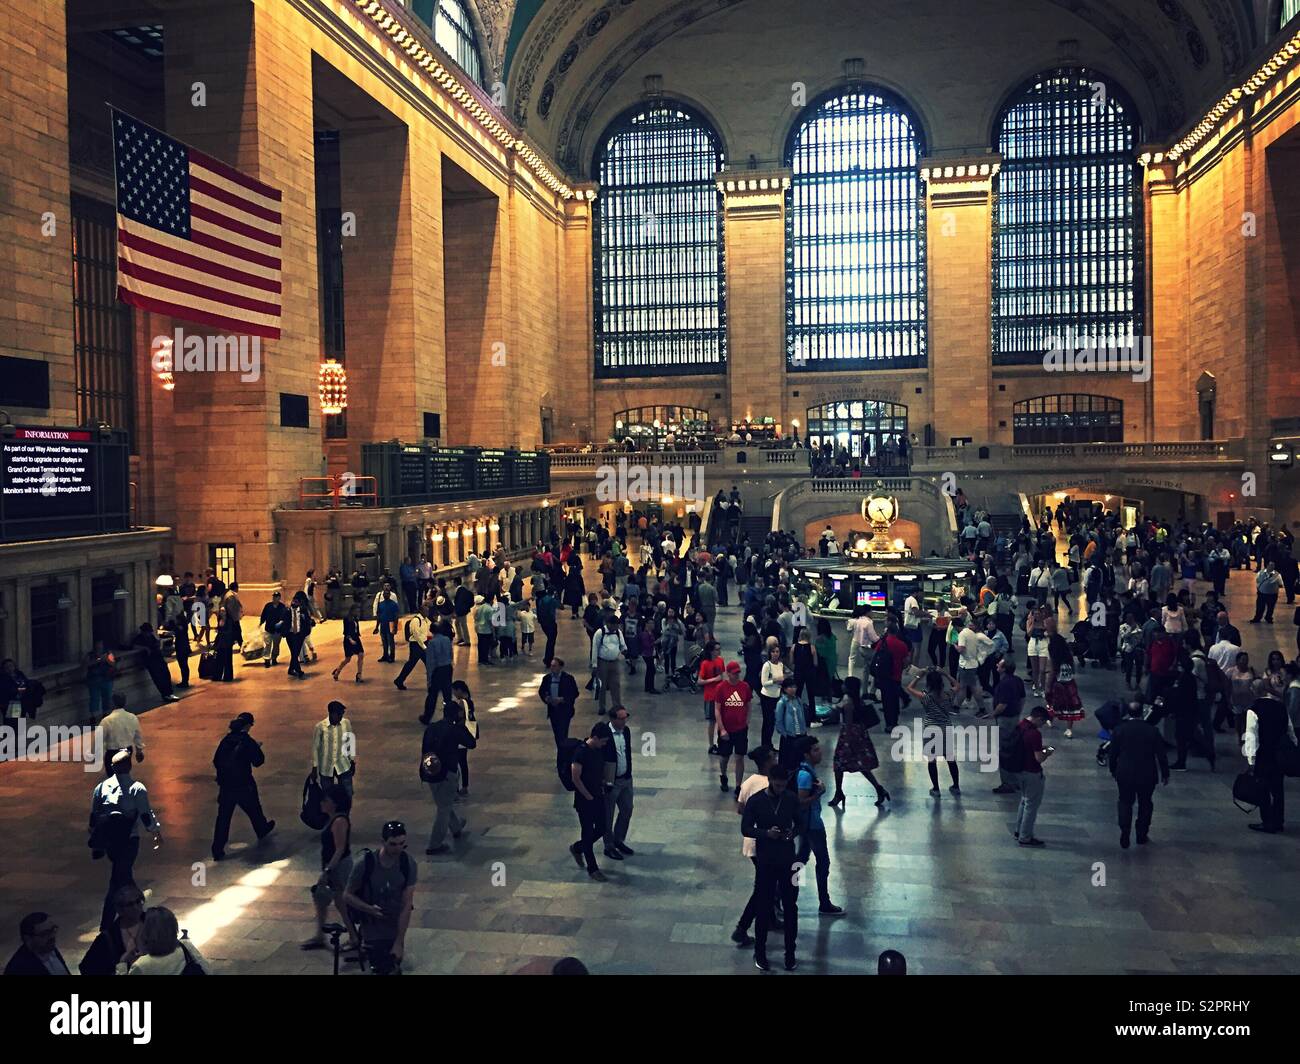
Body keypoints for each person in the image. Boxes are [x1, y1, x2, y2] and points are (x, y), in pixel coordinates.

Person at [90, 749, 162, 931]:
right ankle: (108, 924)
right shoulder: (136, 788)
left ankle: (138, 908)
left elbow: (94, 815)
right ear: (129, 766)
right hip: (129, 840)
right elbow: (145, 814)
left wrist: (95, 837)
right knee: (118, 881)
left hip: (110, 842)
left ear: (113, 768)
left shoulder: (101, 788)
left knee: (122, 874)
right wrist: (155, 832)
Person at [741, 764, 801, 971]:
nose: (781, 788)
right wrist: (766, 833)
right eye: (777, 784)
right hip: (766, 861)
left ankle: (790, 953)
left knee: (791, 907)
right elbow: (745, 828)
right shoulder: (756, 801)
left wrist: (792, 833)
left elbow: (801, 823)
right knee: (763, 906)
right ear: (770, 781)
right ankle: (761, 952)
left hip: (788, 861)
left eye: (784, 785)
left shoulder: (791, 798)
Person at [343, 820, 417, 975]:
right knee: (381, 966)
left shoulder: (407, 863)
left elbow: (406, 904)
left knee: (393, 965)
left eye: (401, 844)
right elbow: (347, 895)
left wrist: (399, 941)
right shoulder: (365, 863)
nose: (398, 849)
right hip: (372, 927)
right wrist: (369, 909)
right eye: (393, 844)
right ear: (383, 842)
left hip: (394, 924)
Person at [302, 783, 359, 954]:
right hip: (333, 865)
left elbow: (340, 848)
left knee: (341, 902)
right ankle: (320, 934)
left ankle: (354, 937)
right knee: (325, 900)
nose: (322, 803)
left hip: (339, 866)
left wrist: (327, 871)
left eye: (325, 800)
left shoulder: (339, 821)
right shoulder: (332, 818)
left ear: (334, 803)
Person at [211, 712, 275, 861]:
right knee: (254, 808)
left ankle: (217, 848)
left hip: (226, 787)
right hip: (244, 784)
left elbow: (216, 760)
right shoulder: (247, 741)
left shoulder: (226, 740)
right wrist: (257, 748)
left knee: (223, 818)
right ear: (247, 726)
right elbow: (259, 761)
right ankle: (261, 829)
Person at [1107, 700, 1170, 848]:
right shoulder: (1152, 731)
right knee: (1145, 803)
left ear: (1129, 713)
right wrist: (1165, 773)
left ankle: (1125, 829)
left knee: (1124, 801)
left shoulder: (1120, 729)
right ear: (1142, 712)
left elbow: (1113, 753)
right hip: (1147, 773)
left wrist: (1113, 769)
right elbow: (1161, 754)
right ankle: (1141, 833)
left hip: (1125, 772)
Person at [793, 736, 842, 915]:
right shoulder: (805, 775)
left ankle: (782, 896)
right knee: (823, 862)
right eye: (815, 750)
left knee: (800, 859)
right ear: (806, 754)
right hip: (812, 825)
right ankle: (824, 902)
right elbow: (802, 802)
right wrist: (820, 792)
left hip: (808, 824)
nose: (820, 752)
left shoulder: (807, 771)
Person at [422, 704, 476, 854]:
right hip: (447, 773)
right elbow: (472, 743)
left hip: (430, 772)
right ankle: (434, 845)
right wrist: (462, 726)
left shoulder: (432, 727)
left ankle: (456, 827)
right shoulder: (454, 730)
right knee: (444, 808)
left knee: (443, 802)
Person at [829, 675, 888, 806]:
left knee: (838, 764)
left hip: (849, 735)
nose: (842, 685)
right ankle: (879, 789)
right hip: (860, 733)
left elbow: (848, 723)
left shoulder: (848, 701)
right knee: (862, 765)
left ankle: (839, 793)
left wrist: (848, 742)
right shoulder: (857, 700)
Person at [906, 667, 961, 796]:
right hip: (946, 728)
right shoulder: (948, 695)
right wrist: (946, 674)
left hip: (930, 729)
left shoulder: (925, 697)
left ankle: (936, 789)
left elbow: (909, 688)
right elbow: (958, 685)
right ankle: (956, 786)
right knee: (950, 758)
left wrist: (920, 675)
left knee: (932, 759)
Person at [569, 722, 613, 882]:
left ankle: (578, 847)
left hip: (598, 796)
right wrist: (588, 796)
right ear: (594, 737)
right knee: (587, 832)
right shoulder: (580, 752)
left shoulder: (597, 750)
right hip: (585, 800)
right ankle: (592, 868)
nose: (605, 744)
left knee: (602, 828)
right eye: (603, 741)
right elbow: (575, 777)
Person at [1244, 696, 1294, 833]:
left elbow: (1251, 736)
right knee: (1278, 790)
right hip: (1279, 754)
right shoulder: (1281, 707)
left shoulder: (1253, 710)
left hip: (1263, 754)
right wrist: (1293, 747)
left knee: (1263, 789)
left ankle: (1267, 821)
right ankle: (1278, 821)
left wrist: (1250, 760)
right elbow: (1290, 730)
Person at [1011, 706, 1054, 847]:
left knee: (1024, 801)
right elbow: (1039, 758)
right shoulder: (1034, 734)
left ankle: (1019, 830)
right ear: (1039, 719)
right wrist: (1047, 751)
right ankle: (1025, 836)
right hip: (1032, 772)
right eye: (1042, 722)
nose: (1042, 726)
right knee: (1031, 805)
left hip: (1018, 769)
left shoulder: (1020, 725)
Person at [79, 885, 145, 975]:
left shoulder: (153, 921)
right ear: (120, 909)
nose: (136, 907)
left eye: (138, 902)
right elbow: (87, 968)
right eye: (130, 905)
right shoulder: (108, 938)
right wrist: (122, 964)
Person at [714, 661, 753, 797]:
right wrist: (722, 729)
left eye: (738, 673)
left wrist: (747, 720)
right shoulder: (721, 688)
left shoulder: (745, 687)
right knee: (724, 756)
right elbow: (717, 710)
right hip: (726, 729)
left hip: (741, 728)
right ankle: (724, 775)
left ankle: (738, 785)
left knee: (739, 757)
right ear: (728, 673)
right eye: (734, 673)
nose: (736, 675)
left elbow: (748, 704)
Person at [602, 705, 636, 861]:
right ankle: (608, 845)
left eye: (626, 717)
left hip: (626, 779)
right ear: (613, 719)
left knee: (627, 809)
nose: (624, 721)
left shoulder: (626, 731)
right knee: (608, 814)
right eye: (621, 718)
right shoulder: (604, 733)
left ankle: (619, 839)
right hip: (611, 781)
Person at [311, 699, 356, 798]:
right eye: (339, 714)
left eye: (342, 714)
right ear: (331, 714)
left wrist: (352, 760)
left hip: (343, 764)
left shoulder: (346, 723)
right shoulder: (320, 727)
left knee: (347, 793)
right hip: (326, 766)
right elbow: (316, 748)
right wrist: (315, 767)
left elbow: (350, 741)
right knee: (327, 795)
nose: (341, 717)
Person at [4, 912, 70, 975]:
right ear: (28, 939)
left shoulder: (48, 947)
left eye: (53, 929)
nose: (52, 936)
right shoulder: (17, 969)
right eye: (45, 934)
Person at [131, 623, 178, 702]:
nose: (149, 633)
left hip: (158, 658)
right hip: (151, 661)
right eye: (148, 632)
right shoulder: (139, 638)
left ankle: (170, 693)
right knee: (158, 678)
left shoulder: (151, 636)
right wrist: (145, 648)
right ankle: (165, 694)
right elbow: (134, 646)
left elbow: (156, 642)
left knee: (166, 674)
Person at [590, 614, 626, 715]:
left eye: (617, 626)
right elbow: (595, 648)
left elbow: (622, 644)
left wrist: (624, 650)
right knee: (602, 685)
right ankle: (602, 706)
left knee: (616, 684)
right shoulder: (600, 633)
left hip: (614, 661)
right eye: (615, 625)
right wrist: (594, 664)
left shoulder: (618, 633)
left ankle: (617, 705)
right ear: (609, 624)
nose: (616, 628)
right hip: (602, 662)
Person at [539, 657, 580, 746]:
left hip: (564, 711)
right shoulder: (547, 678)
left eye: (554, 666)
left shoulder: (568, 678)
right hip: (553, 711)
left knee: (562, 733)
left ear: (560, 667)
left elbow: (575, 693)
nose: (552, 668)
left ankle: (562, 751)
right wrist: (546, 699)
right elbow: (541, 691)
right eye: (551, 666)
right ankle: (561, 749)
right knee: (557, 733)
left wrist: (562, 699)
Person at [420, 621, 454, 725]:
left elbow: (430, 662)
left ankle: (427, 717)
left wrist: (429, 679)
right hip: (447, 668)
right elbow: (451, 654)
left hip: (437, 670)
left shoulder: (432, 642)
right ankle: (449, 717)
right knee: (447, 694)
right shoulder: (447, 639)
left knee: (432, 695)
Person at [99, 692, 145, 767]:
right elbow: (137, 736)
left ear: (112, 703)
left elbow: (99, 739)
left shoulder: (106, 721)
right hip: (128, 750)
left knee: (112, 774)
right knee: (125, 771)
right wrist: (139, 751)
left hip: (112, 752)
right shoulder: (132, 717)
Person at [450, 680, 478, 796]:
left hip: (460, 735)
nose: (454, 694)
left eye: (454, 691)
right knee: (463, 762)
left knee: (455, 762)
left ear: (459, 690)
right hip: (466, 735)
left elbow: (459, 717)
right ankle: (465, 786)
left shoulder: (462, 703)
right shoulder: (469, 701)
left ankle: (455, 788)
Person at [394, 605, 431, 690]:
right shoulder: (416, 621)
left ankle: (399, 680)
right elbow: (416, 635)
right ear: (421, 611)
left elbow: (430, 627)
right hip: (416, 645)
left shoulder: (425, 619)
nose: (428, 613)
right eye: (426, 611)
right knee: (414, 664)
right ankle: (399, 680)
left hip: (421, 644)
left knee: (423, 663)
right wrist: (424, 647)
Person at [758, 643, 787, 749]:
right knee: (767, 721)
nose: (775, 654)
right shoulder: (767, 665)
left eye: (777, 652)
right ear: (770, 653)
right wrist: (775, 680)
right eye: (773, 652)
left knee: (773, 722)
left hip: (776, 696)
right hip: (767, 696)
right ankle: (765, 744)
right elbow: (764, 682)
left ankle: (769, 743)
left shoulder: (780, 665)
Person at [333, 603, 366, 683]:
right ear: (352, 610)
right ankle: (337, 671)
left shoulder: (356, 618)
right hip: (348, 640)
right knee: (348, 659)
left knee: (361, 654)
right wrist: (350, 640)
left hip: (356, 639)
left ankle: (359, 675)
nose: (358, 612)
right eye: (356, 610)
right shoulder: (346, 619)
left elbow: (356, 630)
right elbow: (346, 631)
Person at [84, 640, 116, 724]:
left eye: (100, 646)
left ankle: (105, 714)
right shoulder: (90, 655)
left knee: (107, 697)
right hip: (94, 680)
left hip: (106, 679)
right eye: (97, 646)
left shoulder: (108, 653)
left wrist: (106, 659)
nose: (99, 648)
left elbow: (113, 663)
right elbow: (86, 664)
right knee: (94, 698)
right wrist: (98, 660)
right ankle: (93, 716)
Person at [286, 591, 315, 678]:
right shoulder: (288, 610)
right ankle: (298, 670)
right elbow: (285, 621)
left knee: (295, 653)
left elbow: (307, 622)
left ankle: (292, 670)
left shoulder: (303, 611)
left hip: (299, 635)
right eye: (294, 601)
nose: (294, 602)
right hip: (290, 635)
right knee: (294, 653)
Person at [258, 590, 289, 668]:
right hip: (268, 628)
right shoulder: (268, 606)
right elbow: (263, 615)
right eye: (274, 597)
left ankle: (274, 658)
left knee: (276, 645)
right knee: (268, 645)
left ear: (279, 598)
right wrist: (261, 623)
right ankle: (267, 659)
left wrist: (281, 622)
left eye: (277, 597)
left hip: (277, 631)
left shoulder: (282, 607)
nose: (275, 598)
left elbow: (285, 616)